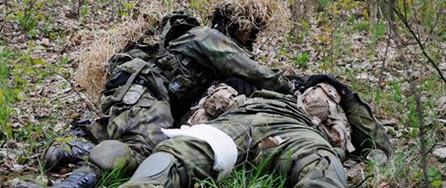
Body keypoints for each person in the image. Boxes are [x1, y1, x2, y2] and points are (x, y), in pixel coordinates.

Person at [21, 4, 294, 188]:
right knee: (146, 148)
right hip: (145, 91)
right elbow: (257, 73)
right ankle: (74, 182)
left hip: (133, 91)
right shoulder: (209, 38)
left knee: (129, 131)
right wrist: (292, 87)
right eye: (248, 32)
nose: (249, 40)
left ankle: (72, 145)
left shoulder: (195, 41)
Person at [120, 74, 392, 188]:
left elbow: (377, 144)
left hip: (295, 128)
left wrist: (346, 94)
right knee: (180, 150)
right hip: (243, 118)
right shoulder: (248, 86)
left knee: (320, 163)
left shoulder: (327, 101)